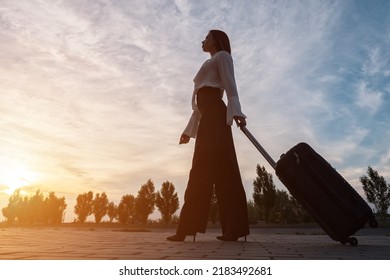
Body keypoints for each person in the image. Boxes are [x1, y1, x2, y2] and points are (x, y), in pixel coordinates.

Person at [167, 30, 249, 242]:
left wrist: (237, 113)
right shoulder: (210, 63)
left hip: (216, 116)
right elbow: (198, 109)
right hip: (207, 118)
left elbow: (231, 86)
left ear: (216, 40)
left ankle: (233, 229)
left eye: (207, 37)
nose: (203, 40)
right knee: (200, 170)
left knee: (224, 170)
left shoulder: (223, 56)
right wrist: (188, 131)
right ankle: (186, 228)